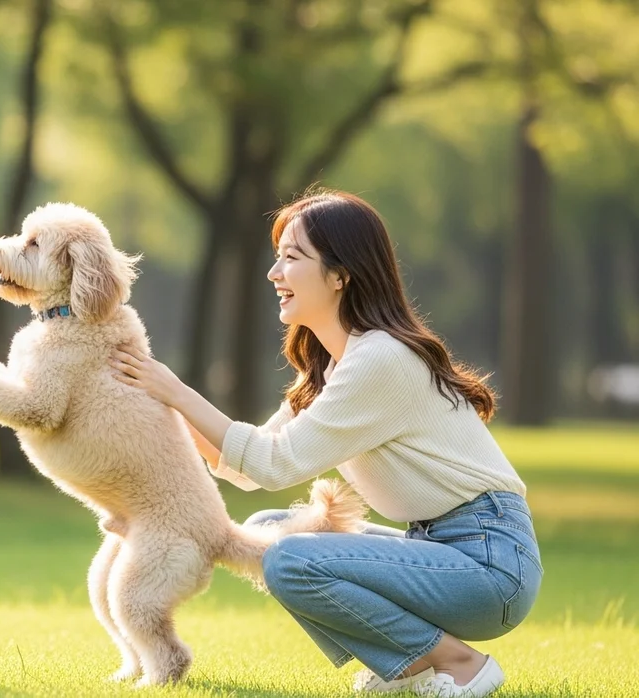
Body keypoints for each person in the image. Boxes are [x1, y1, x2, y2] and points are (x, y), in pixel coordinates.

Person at [110, 190, 538, 698]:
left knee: (286, 559)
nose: (274, 273)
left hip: (489, 564)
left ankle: (458, 663)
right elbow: (245, 466)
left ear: (340, 275)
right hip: (440, 549)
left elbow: (272, 465)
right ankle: (413, 671)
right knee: (268, 529)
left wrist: (175, 391)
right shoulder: (336, 365)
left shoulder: (380, 359)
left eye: (292, 258)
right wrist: (157, 409)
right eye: (277, 258)